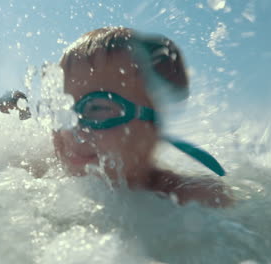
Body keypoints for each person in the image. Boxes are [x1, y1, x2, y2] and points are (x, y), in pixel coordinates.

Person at [52, 27, 233, 208]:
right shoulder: (40, 174)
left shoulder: (192, 198)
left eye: (97, 108)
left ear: (154, 123)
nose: (70, 130)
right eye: (61, 108)